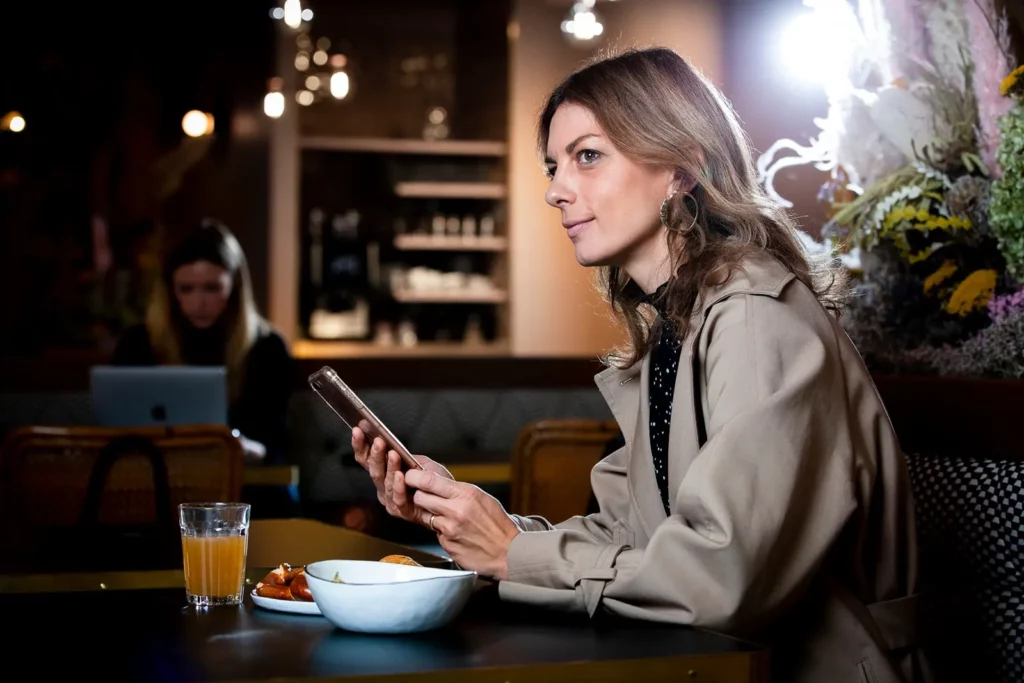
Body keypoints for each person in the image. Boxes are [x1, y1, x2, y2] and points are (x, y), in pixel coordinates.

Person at [352, 48, 928, 683]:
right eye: (554, 165)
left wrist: (514, 554)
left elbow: (723, 579)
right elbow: (627, 538)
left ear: (681, 168)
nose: (555, 190)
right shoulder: (678, 325)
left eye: (588, 156)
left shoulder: (755, 318)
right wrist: (470, 522)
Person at [112, 219, 296, 511]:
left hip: (247, 487)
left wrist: (247, 448)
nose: (199, 302)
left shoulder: (267, 346)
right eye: (186, 289)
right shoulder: (139, 342)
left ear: (234, 286)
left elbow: (279, 443)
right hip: (153, 483)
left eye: (212, 288)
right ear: (170, 289)